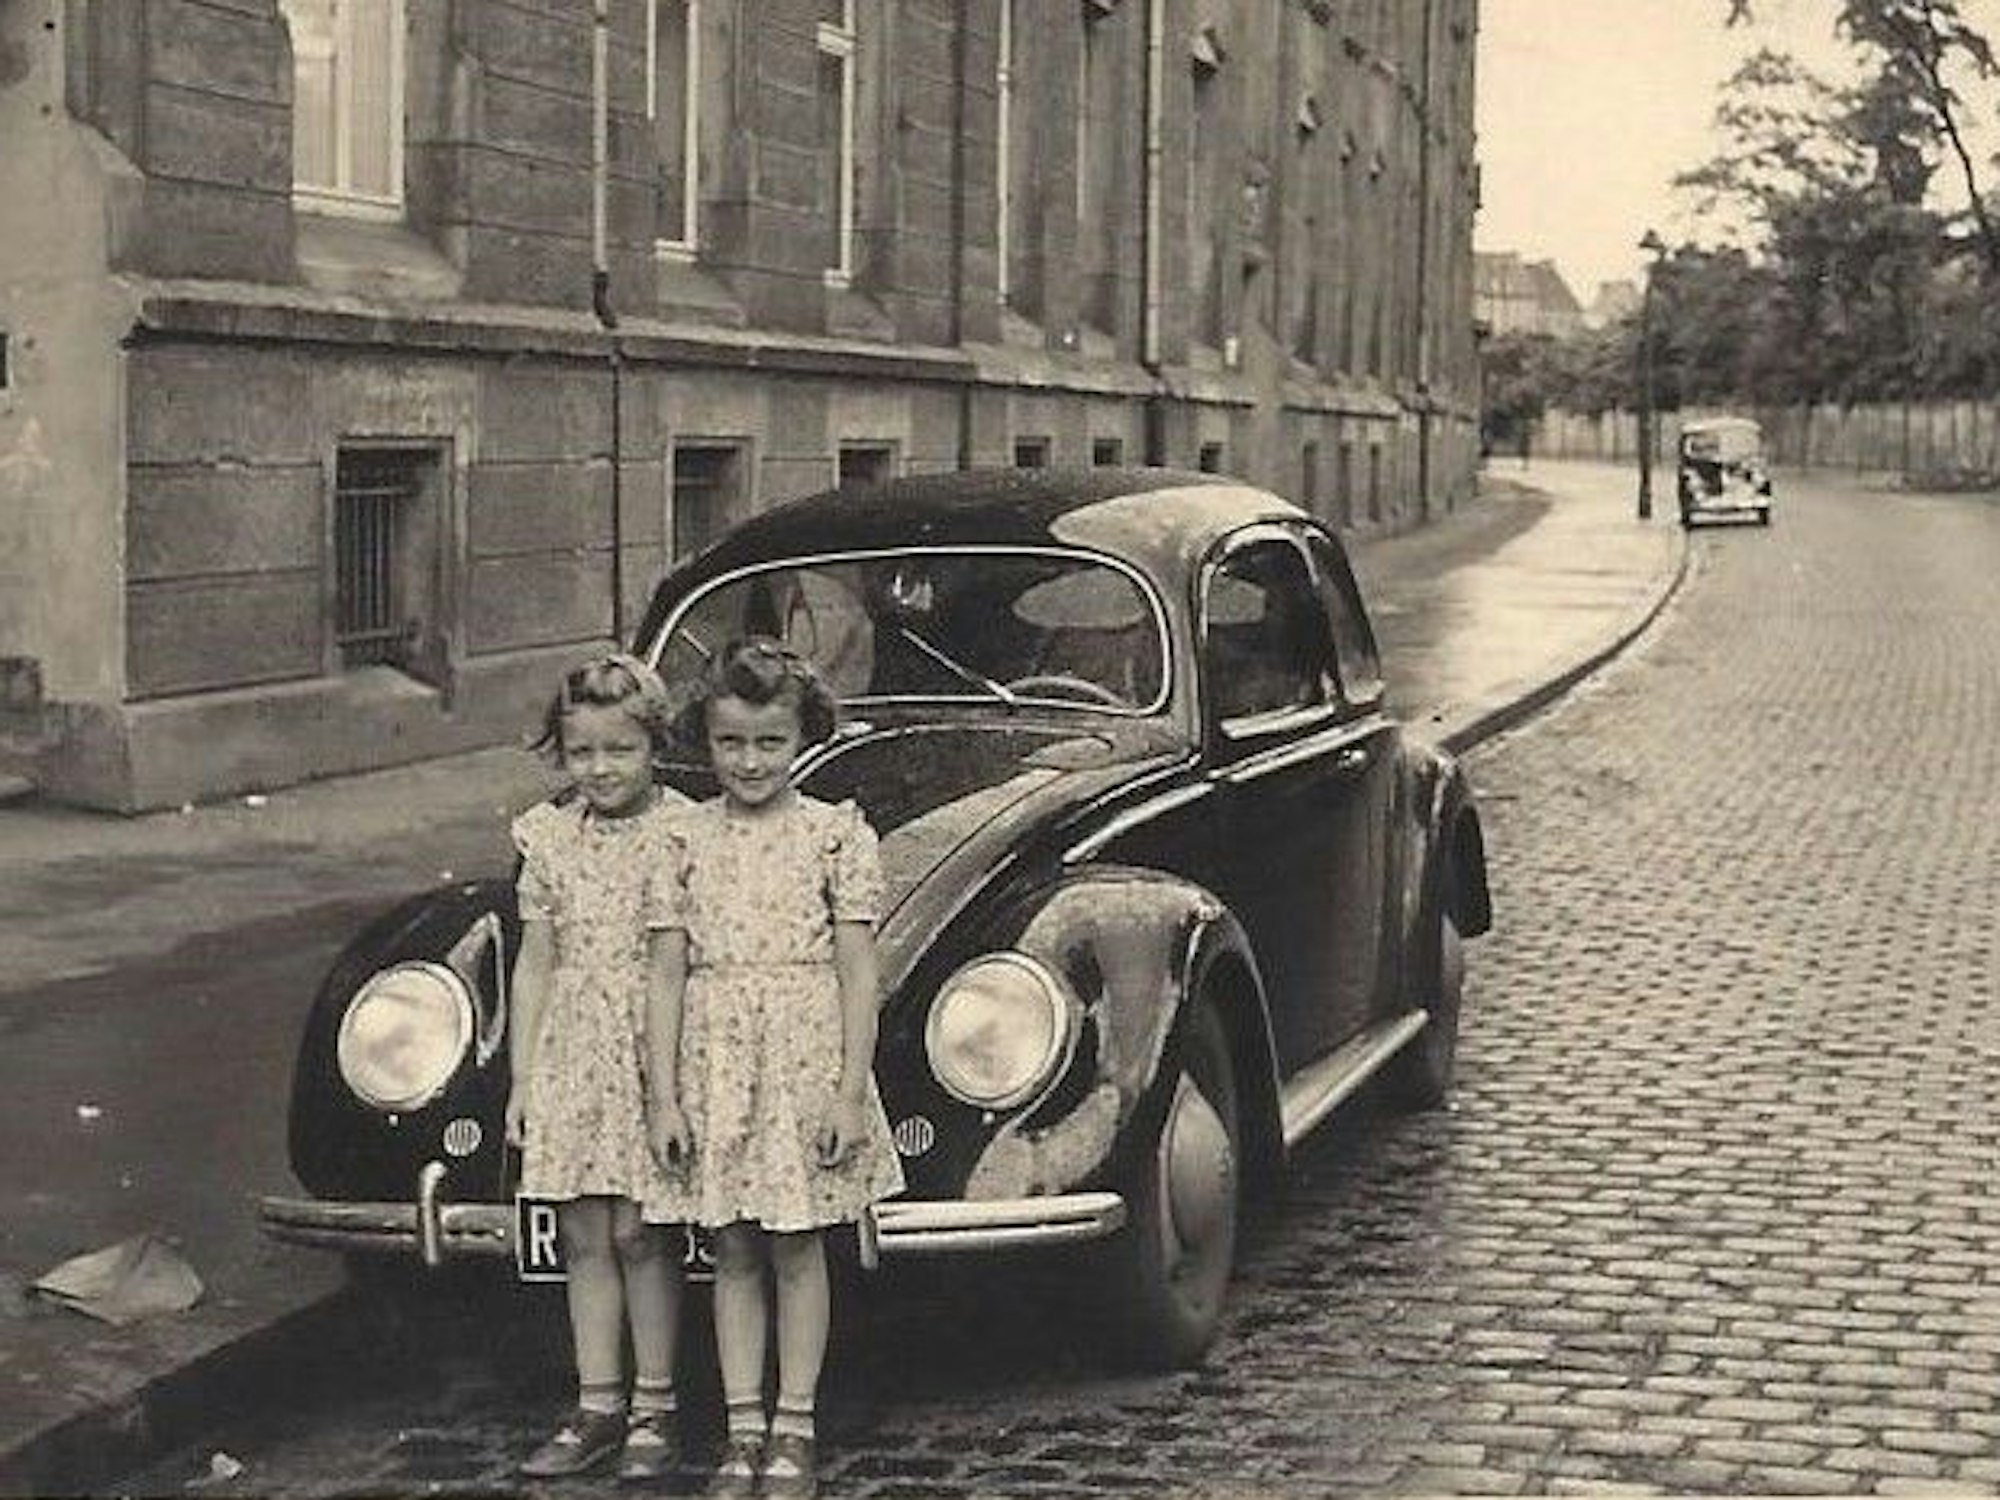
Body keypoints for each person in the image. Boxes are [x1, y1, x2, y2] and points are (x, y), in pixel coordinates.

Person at [646, 637, 904, 1500]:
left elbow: (858, 970)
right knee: (732, 1249)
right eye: (730, 743)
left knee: (797, 1243)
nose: (749, 762)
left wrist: (846, 1089)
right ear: (704, 740)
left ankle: (796, 1423)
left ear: (804, 740)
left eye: (770, 743)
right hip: (717, 1059)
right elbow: (667, 974)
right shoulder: (680, 839)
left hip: (802, 1057)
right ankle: (742, 1426)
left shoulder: (834, 835)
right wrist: (667, 1098)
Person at [507, 652, 692, 1481]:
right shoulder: (547, 836)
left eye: (619, 750)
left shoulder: (681, 832)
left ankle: (657, 1407)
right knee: (584, 1231)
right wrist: (523, 1077)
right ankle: (597, 1404)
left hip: (654, 1043)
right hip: (572, 1046)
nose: (600, 769)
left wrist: (668, 1089)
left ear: (653, 746)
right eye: (582, 753)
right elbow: (535, 961)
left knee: (641, 1230)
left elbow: (668, 965)